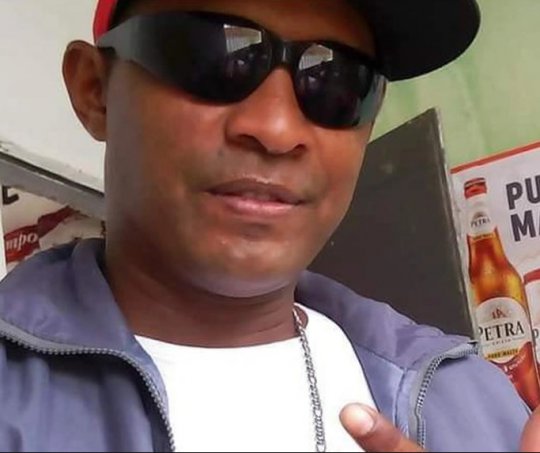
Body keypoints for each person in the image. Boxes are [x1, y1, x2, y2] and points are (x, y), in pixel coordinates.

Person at [0, 0, 536, 451]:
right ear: (95, 90)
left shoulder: (472, 403)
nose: (276, 129)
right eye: (215, 56)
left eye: (335, 80)